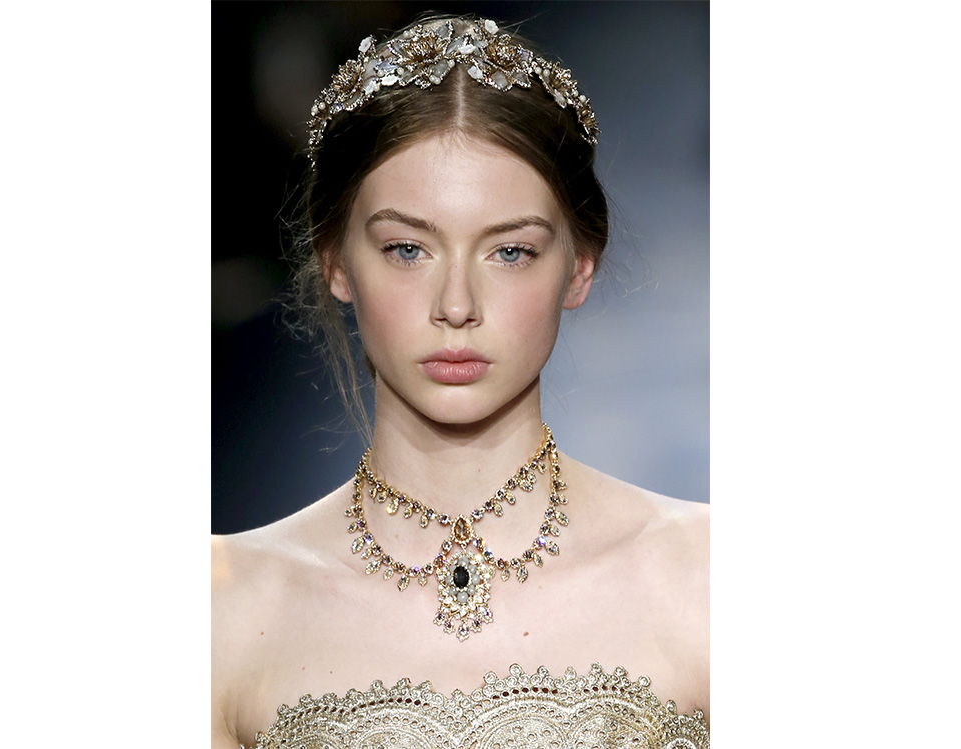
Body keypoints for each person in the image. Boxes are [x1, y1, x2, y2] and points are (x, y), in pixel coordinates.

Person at [212, 15, 709, 749]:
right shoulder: (220, 610)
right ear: (337, 261)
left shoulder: (709, 579)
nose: (455, 305)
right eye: (407, 249)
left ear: (578, 267)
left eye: (509, 252)